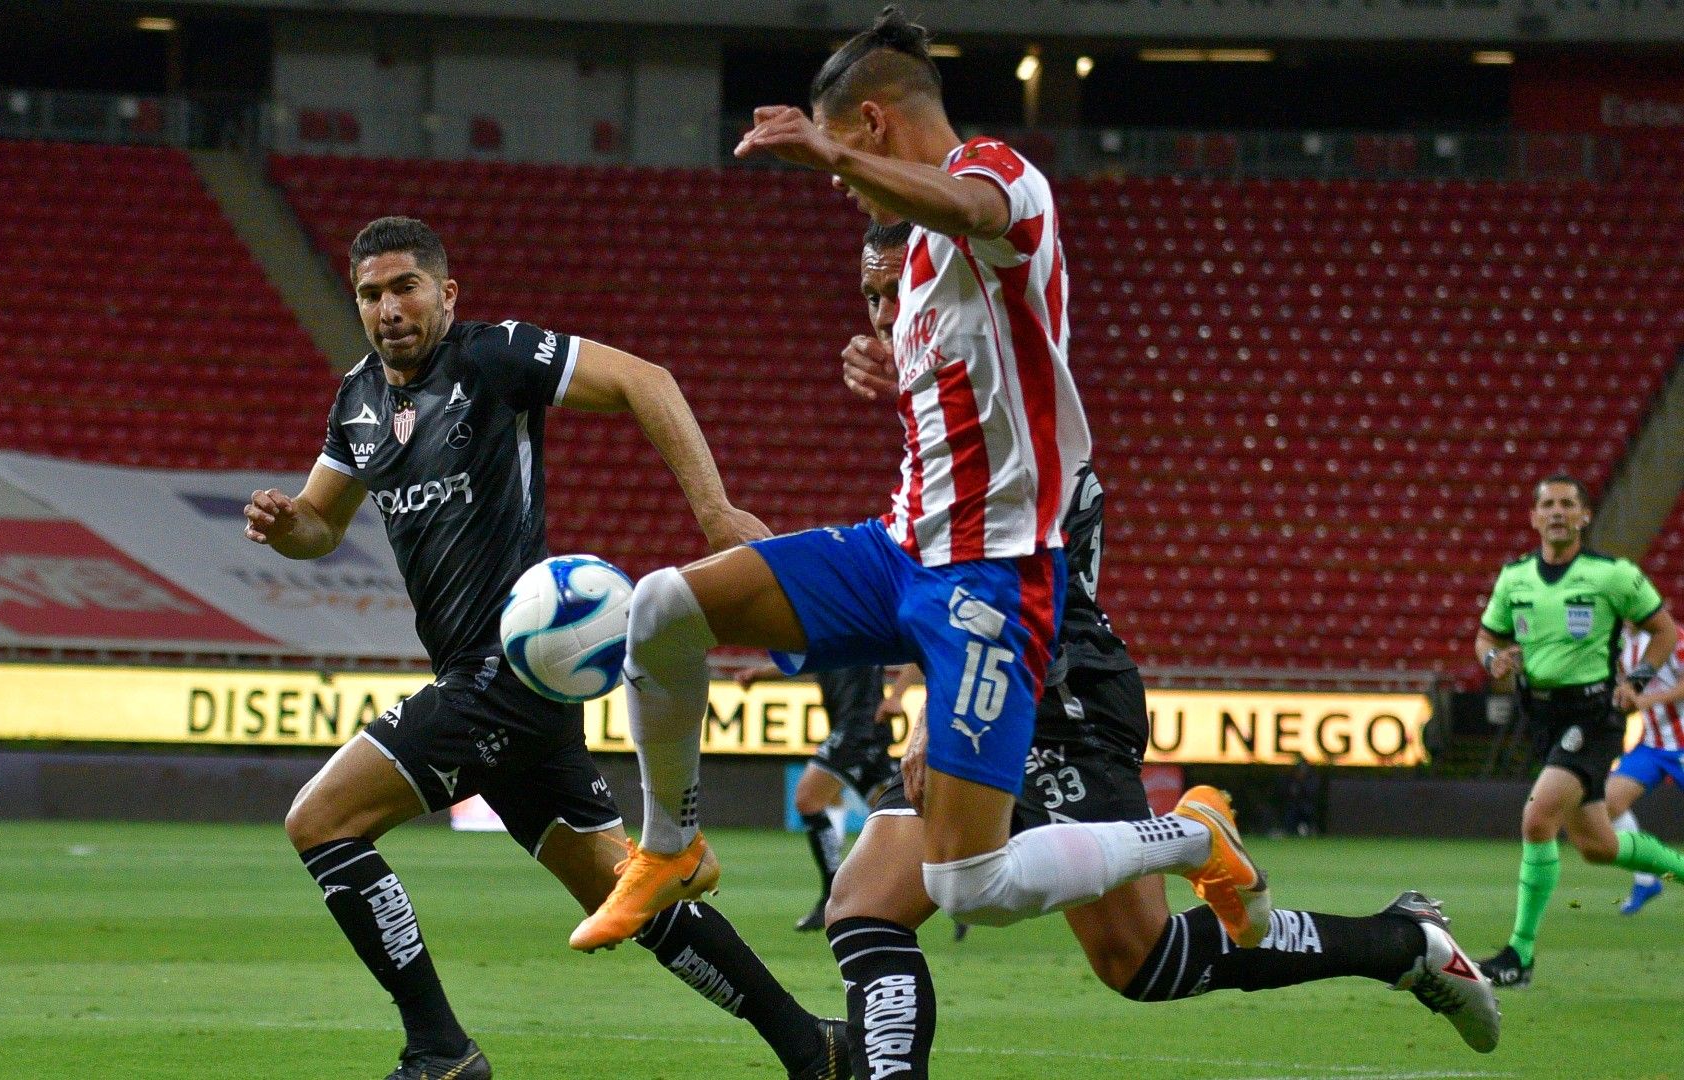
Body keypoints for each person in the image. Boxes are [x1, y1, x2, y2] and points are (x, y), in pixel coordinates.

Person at [574, 7, 1272, 958]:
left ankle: (1192, 836)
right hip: (899, 549)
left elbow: (975, 210)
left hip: (993, 577)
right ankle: (670, 848)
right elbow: (974, 399)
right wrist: (893, 368)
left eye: (845, 157)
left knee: (968, 886)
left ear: (871, 123)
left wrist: (828, 155)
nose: (845, 195)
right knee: (661, 607)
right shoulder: (919, 273)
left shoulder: (1002, 179)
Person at [817, 220, 1498, 1076]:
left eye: (898, 293)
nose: (882, 315)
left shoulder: (1001, 390)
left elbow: (1002, 574)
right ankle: (1403, 941)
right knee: (887, 907)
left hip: (1050, 684)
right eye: (872, 297)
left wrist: (933, 711)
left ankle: (1294, 888)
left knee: (1122, 956)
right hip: (1012, 674)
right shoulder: (949, 397)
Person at [246, 216, 848, 1080]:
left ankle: (440, 1051)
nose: (388, 308)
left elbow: (647, 381)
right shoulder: (358, 404)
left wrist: (715, 516)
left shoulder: (493, 359)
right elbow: (320, 523)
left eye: (405, 287)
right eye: (371, 293)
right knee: (621, 892)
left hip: (510, 672)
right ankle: (812, 1045)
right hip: (484, 681)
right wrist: (285, 524)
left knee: (322, 821)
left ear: (445, 293)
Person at [1474, 473, 1681, 987]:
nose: (1558, 512)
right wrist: (1494, 659)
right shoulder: (1514, 577)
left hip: (1592, 716)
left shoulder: (1612, 575)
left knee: (1538, 818)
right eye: (1548, 505)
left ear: (1585, 517)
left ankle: (1518, 956)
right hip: (1540, 717)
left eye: (1568, 504)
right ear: (1534, 517)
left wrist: (1635, 680)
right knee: (1597, 845)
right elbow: (1485, 637)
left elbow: (1664, 630)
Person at [733, 662, 896, 930]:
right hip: (862, 728)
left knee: (807, 799)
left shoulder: (863, 625)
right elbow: (803, 661)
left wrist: (898, 695)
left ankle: (833, 895)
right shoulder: (830, 633)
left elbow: (916, 651)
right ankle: (952, 881)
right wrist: (758, 674)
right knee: (900, 815)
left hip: (858, 727)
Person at [1607, 626, 1684, 914]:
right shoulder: (1622, 645)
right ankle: (1646, 881)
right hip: (1651, 745)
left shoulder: (1673, 637)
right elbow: (1626, 695)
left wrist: (1646, 700)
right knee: (1609, 803)